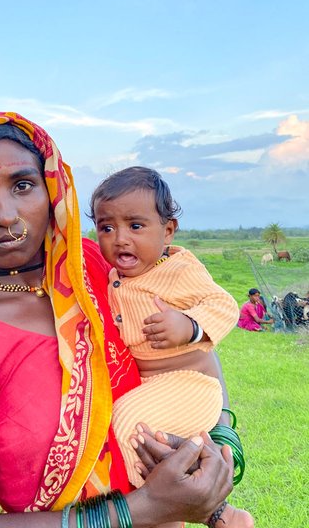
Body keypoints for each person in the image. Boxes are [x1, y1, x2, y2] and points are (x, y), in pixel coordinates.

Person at [0, 111, 236, 528]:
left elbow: (195, 337)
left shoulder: (100, 266)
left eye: (23, 185)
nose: (6, 215)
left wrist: (224, 443)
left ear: (53, 191)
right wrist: (144, 508)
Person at [89, 166, 253, 528]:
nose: (120, 239)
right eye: (106, 227)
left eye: (135, 225)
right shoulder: (115, 274)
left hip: (188, 384)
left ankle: (171, 509)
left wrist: (190, 326)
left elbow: (223, 304)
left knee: (129, 426)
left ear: (167, 231)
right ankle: (215, 515)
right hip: (155, 386)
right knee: (146, 438)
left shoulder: (178, 269)